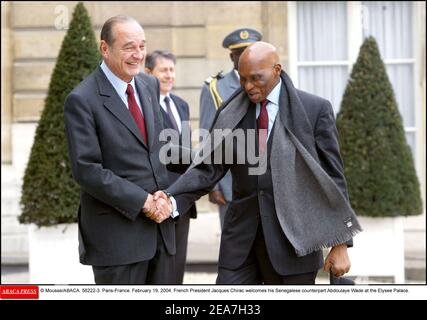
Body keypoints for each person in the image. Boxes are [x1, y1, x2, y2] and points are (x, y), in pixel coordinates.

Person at [155, 42, 361, 284]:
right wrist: (171, 197)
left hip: (293, 244)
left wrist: (340, 243)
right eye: (243, 80)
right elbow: (209, 167)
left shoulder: (315, 109)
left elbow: (333, 177)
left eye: (256, 78)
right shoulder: (230, 112)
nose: (248, 86)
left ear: (276, 69)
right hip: (240, 244)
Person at [64, 15, 181, 285]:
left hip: (161, 234)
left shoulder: (149, 85)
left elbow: (161, 147)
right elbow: (88, 171)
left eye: (142, 46)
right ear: (105, 48)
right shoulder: (81, 99)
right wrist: (144, 202)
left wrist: (209, 159)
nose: (138, 55)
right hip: (117, 242)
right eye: (129, 47)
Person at [199, 27, 262, 229]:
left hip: (265, 180)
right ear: (231, 56)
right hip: (229, 183)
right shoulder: (215, 87)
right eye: (240, 52)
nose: (246, 56)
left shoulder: (270, 82)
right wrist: (213, 185)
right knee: (234, 248)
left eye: (251, 50)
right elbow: (208, 138)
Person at [145, 50, 197, 284]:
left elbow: (184, 149)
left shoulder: (181, 104)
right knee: (160, 274)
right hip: (158, 199)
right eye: (163, 70)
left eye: (172, 70)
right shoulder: (144, 107)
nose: (169, 75)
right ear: (148, 73)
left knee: (177, 271)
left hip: (183, 200)